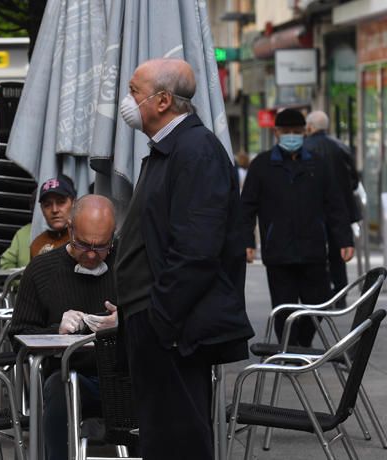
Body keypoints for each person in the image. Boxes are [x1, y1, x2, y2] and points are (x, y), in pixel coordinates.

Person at [114, 58, 254, 460]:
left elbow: (196, 249)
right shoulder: (172, 150)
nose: (128, 101)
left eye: (134, 91)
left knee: (179, 440)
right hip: (159, 323)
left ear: (161, 102)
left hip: (174, 330)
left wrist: (162, 318)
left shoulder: (195, 151)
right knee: (163, 437)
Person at [9, 194, 117, 460]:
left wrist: (126, 321)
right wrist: (56, 330)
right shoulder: (42, 269)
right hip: (70, 378)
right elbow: (17, 335)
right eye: (83, 245)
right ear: (70, 230)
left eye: (102, 247)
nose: (92, 254)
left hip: (123, 375)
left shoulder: (126, 265)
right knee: (58, 386)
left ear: (113, 238)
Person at [242, 108, 354, 347]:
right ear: (276, 133)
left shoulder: (318, 165)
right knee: (284, 308)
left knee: (319, 302)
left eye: (296, 131)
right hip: (278, 251)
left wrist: (345, 239)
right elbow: (246, 208)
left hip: (313, 248)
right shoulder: (261, 166)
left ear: (305, 132)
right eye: (286, 131)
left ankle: (301, 345)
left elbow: (335, 205)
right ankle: (289, 351)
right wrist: (246, 243)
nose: (291, 136)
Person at [305, 110, 361, 298]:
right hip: (340, 209)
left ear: (310, 127)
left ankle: (322, 293)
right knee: (339, 252)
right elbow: (354, 178)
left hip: (314, 209)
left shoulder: (304, 148)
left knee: (317, 251)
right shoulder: (341, 147)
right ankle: (341, 294)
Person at [29, 176, 76, 259]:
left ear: (74, 203)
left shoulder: (84, 240)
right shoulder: (37, 244)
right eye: (47, 205)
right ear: (41, 209)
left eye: (61, 202)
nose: (54, 210)